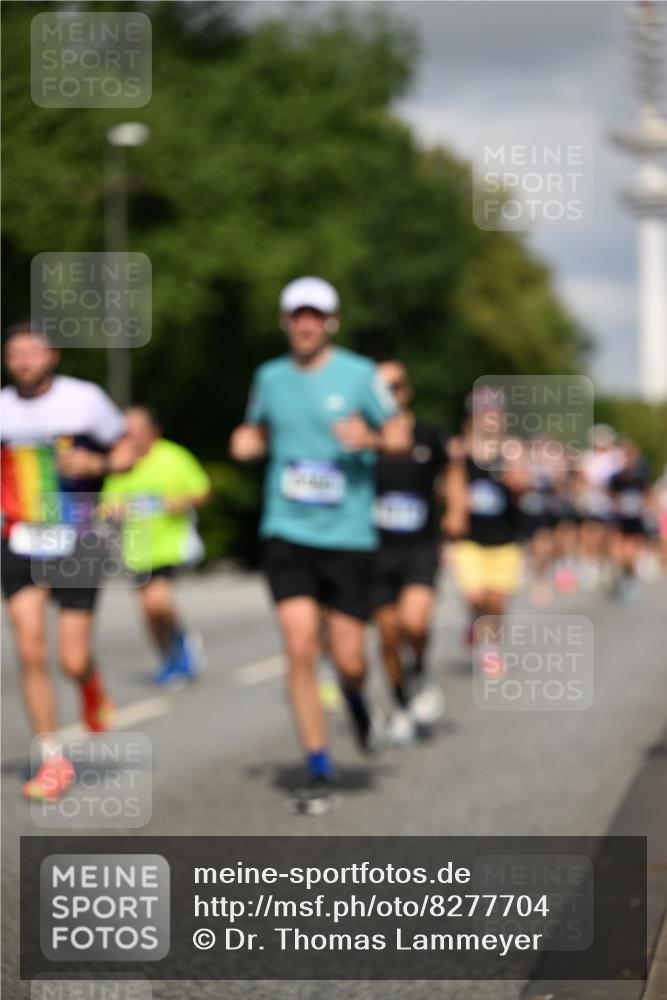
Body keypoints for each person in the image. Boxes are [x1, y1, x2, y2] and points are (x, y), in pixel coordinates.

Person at [230, 276, 406, 815]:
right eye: (296, 316)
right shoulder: (270, 377)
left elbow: (400, 435)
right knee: (300, 646)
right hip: (287, 530)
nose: (305, 324)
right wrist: (247, 441)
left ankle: (356, 699)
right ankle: (318, 765)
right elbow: (255, 429)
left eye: (316, 316)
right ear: (286, 322)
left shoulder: (360, 375)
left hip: (349, 536)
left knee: (350, 658)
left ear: (332, 322)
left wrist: (373, 439)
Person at [1, 323, 134, 801]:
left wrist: (98, 465)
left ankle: (90, 684)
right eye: (14, 353)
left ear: (52, 355)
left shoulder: (85, 400)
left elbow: (127, 448)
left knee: (70, 658)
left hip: (77, 537)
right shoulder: (3, 408)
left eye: (31, 353)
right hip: (19, 538)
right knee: (30, 648)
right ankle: (52, 759)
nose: (22, 362)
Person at [101, 405, 212, 684]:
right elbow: (105, 504)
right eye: (126, 430)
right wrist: (114, 510)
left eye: (137, 428)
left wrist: (181, 501)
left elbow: (203, 492)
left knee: (158, 603)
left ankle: (181, 643)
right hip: (135, 548)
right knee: (147, 612)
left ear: (154, 430)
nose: (132, 435)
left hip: (169, 544)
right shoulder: (122, 463)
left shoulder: (174, 456)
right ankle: (169, 657)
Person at [369, 361, 447, 744]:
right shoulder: (364, 436)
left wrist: (459, 509)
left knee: (413, 623)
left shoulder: (429, 434)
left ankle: (420, 668)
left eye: (396, 386)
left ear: (408, 390)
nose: (389, 395)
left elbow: (454, 472)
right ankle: (399, 705)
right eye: (380, 387)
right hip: (375, 551)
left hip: (420, 545)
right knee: (386, 636)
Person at [444, 387, 528, 673]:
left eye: (494, 414)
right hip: (470, 539)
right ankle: (478, 629)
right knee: (475, 596)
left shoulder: (511, 450)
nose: (489, 419)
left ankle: (491, 647)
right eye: (484, 413)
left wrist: (516, 481)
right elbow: (446, 489)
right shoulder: (458, 450)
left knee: (496, 600)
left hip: (504, 538)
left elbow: (523, 487)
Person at [607, 438, 651, 599]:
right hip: (621, 520)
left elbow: (647, 495)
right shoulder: (616, 478)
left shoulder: (640, 478)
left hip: (635, 520)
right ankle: (620, 580)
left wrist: (644, 508)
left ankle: (631, 580)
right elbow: (611, 496)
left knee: (631, 553)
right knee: (619, 553)